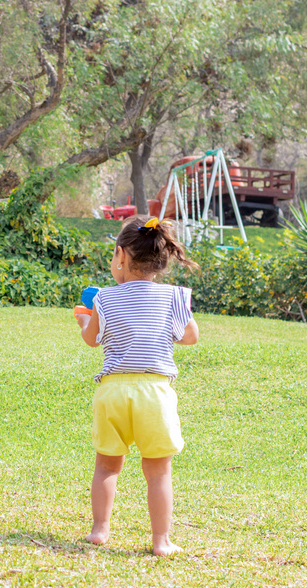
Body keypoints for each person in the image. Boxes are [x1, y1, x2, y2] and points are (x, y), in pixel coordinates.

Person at [75, 214, 199, 556]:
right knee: (158, 472)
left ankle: (100, 530)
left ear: (120, 255)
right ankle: (161, 541)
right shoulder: (174, 296)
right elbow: (190, 336)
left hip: (113, 390)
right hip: (155, 393)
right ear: (161, 260)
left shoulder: (104, 298)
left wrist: (85, 319)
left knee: (106, 465)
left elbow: (91, 340)